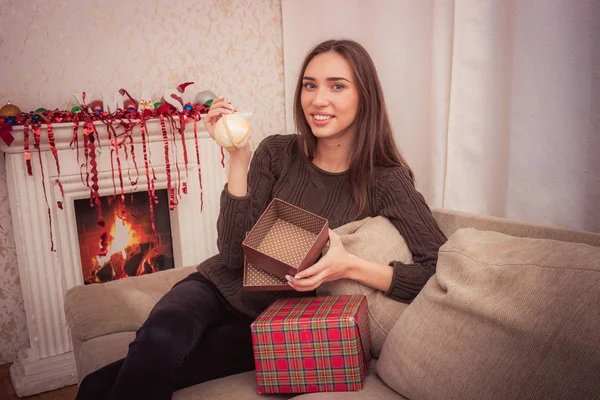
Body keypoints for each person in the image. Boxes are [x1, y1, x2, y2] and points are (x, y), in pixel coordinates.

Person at [75, 39, 447, 400]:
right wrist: (238, 157)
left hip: (272, 320)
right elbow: (233, 257)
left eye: (337, 86)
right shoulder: (277, 151)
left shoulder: (386, 179)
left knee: (97, 386)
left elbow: (438, 268)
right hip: (214, 285)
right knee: (156, 342)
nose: (319, 99)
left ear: (364, 97)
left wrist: (349, 267)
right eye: (310, 85)